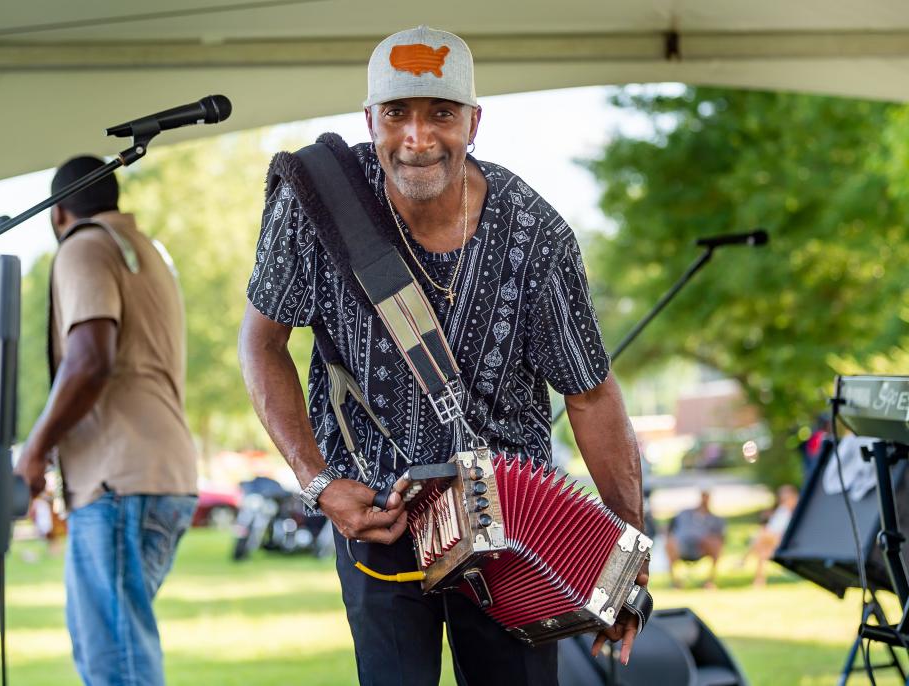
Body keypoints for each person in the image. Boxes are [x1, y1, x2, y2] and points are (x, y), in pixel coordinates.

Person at [239, 26, 646, 686]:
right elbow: (261, 342)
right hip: (379, 520)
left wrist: (625, 555)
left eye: (442, 114)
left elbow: (591, 392)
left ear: (474, 123)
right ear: (369, 119)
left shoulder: (536, 234)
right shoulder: (317, 205)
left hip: (510, 536)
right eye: (397, 113)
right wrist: (316, 482)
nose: (418, 138)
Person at [15, 156, 198, 686]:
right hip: (163, 476)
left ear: (57, 216)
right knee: (114, 652)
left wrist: (34, 450)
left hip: (119, 481)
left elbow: (89, 359)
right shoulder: (146, 253)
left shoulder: (84, 246)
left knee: (114, 664)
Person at [665, 490, 726, 589]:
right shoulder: (685, 513)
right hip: (682, 545)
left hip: (702, 548)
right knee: (669, 543)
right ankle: (675, 583)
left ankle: (709, 582)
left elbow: (721, 537)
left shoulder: (715, 519)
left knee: (716, 544)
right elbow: (669, 529)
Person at [742, 484, 798, 586]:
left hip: (785, 539)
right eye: (782, 496)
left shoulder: (797, 510)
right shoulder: (782, 510)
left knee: (761, 537)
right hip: (773, 538)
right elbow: (773, 526)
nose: (783, 498)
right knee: (762, 549)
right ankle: (759, 580)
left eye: (786, 496)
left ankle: (744, 559)